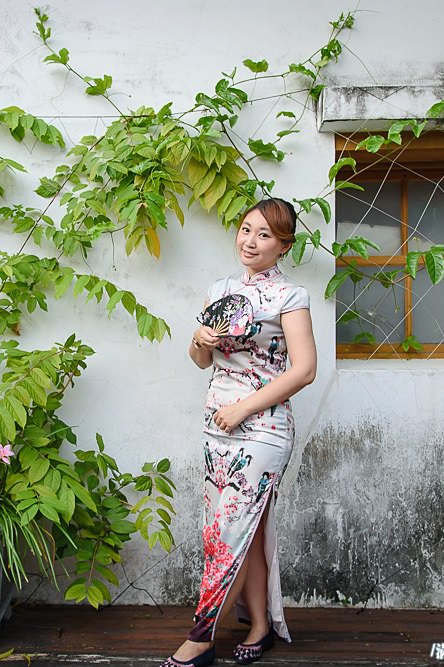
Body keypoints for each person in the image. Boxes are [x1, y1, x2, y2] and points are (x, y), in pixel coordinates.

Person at [162, 198, 317, 667]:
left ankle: (202, 637)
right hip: (217, 429)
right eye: (245, 230)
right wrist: (198, 340)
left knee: (228, 532)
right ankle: (261, 626)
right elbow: (203, 362)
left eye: (264, 235)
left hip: (262, 430)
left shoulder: (290, 297)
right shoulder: (221, 288)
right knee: (238, 531)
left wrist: (243, 409)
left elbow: (305, 369)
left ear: (283, 245)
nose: (250, 241)